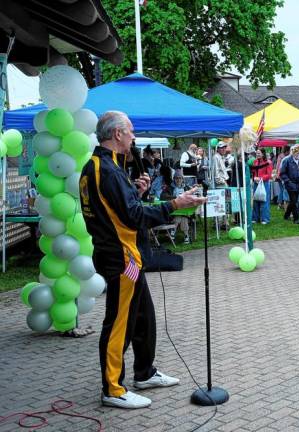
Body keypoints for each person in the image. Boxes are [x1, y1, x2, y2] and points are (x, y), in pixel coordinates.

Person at [80, 111, 205, 409]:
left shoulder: (102, 166)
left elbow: (119, 208)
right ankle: (112, 388)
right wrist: (175, 204)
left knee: (143, 317)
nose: (135, 137)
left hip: (128, 257)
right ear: (118, 134)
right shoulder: (106, 170)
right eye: (131, 131)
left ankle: (144, 372)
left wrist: (136, 192)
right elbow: (133, 217)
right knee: (119, 323)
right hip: (120, 258)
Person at [280, 144, 299, 224]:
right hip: (290, 184)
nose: (298, 155)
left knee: (293, 201)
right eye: (296, 153)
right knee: (294, 201)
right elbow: (282, 173)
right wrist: (288, 181)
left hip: (298, 184)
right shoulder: (287, 160)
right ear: (293, 153)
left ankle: (286, 215)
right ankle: (296, 218)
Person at [251, 148, 273, 224]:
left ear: (263, 154)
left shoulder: (268, 162)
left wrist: (261, 178)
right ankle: (255, 218)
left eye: (259, 153)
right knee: (256, 200)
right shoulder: (255, 161)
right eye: (257, 153)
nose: (257, 154)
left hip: (264, 183)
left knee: (264, 200)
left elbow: (269, 175)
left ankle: (265, 219)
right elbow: (253, 172)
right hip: (256, 183)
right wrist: (254, 178)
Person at [275, 145, 290, 210]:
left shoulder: (280, 156)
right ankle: (282, 204)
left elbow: (277, 166)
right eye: (289, 151)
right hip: (282, 175)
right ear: (287, 151)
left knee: (281, 190)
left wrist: (276, 174)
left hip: (278, 175)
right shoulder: (285, 157)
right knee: (283, 190)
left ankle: (279, 204)